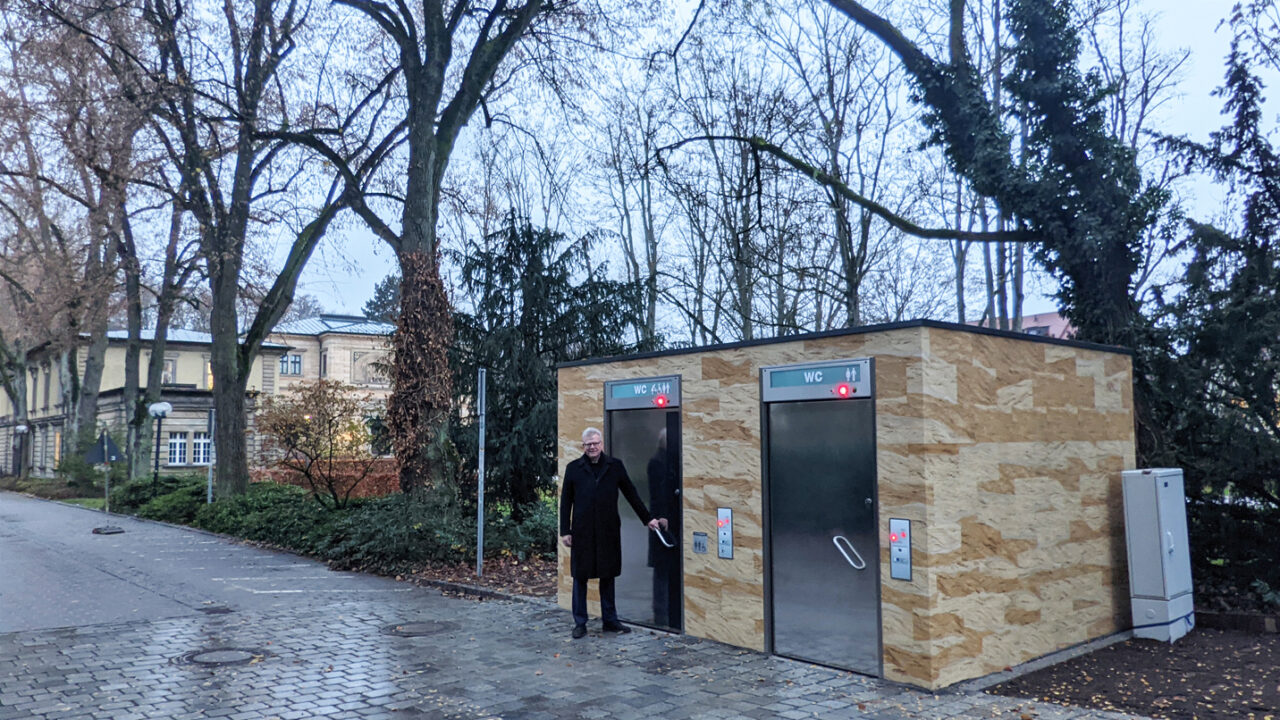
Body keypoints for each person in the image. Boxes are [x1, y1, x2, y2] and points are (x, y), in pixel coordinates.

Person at [560, 427, 665, 639]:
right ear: (583, 446)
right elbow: (565, 502)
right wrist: (565, 531)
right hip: (583, 532)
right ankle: (580, 623)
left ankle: (610, 620)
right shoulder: (573, 468)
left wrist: (648, 519)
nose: (592, 447)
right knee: (580, 577)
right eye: (588, 444)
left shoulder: (614, 466)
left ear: (602, 444)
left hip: (607, 530)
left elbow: (631, 493)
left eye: (596, 443)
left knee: (608, 576)